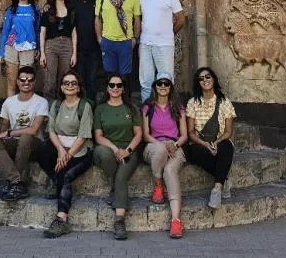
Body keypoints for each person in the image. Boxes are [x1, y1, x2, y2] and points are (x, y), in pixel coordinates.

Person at [36, 70, 94, 238]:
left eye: (73, 83)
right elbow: (51, 130)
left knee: (65, 173)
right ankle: (58, 183)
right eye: (66, 83)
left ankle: (61, 219)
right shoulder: (55, 105)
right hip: (60, 146)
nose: (69, 86)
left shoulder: (85, 106)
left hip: (80, 150)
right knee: (42, 152)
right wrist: (61, 151)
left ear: (78, 87)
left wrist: (68, 155)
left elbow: (83, 136)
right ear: (61, 87)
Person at [92, 72, 142, 240]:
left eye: (119, 85)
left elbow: (138, 135)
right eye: (112, 85)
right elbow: (98, 137)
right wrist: (115, 149)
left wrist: (127, 150)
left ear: (123, 88)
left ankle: (119, 220)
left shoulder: (132, 108)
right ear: (107, 87)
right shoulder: (100, 109)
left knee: (121, 178)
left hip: (128, 149)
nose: (115, 88)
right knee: (102, 153)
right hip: (108, 147)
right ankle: (116, 187)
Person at [0, 65, 48, 201]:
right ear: (17, 81)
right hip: (15, 143)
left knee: (26, 137)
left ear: (34, 82)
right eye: (23, 80)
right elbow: (4, 124)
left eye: (30, 80)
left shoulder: (41, 102)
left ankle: (14, 183)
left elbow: (34, 130)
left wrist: (9, 133)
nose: (26, 83)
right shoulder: (9, 102)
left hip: (34, 145)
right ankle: (17, 183)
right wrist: (2, 137)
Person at [141, 71, 187, 238]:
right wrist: (161, 145)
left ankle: (175, 220)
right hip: (154, 145)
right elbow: (145, 134)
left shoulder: (179, 108)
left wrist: (174, 145)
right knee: (160, 150)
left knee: (170, 171)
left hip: (175, 145)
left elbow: (184, 135)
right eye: (159, 83)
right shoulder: (147, 107)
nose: (162, 86)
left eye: (166, 83)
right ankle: (158, 184)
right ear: (154, 87)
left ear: (171, 87)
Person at [184, 66, 236, 210]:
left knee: (226, 146)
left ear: (213, 79)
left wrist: (215, 143)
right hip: (199, 143)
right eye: (201, 79)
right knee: (192, 152)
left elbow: (228, 131)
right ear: (197, 83)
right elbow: (190, 132)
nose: (205, 80)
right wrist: (204, 144)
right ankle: (223, 178)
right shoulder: (192, 103)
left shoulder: (224, 102)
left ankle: (217, 189)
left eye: (207, 77)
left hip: (219, 141)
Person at [137, 0, 186, 103]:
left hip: (164, 45)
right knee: (146, 81)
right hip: (145, 44)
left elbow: (181, 19)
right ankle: (147, 112)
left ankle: (168, 113)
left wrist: (169, 33)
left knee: (166, 80)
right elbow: (138, 19)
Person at [95, 0, 141, 96]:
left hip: (126, 42)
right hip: (108, 41)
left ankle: (126, 104)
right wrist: (100, 38)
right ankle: (109, 102)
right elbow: (98, 19)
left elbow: (137, 20)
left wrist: (134, 38)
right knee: (109, 75)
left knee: (125, 76)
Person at [0, 0, 39, 97]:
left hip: (28, 47)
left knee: (26, 82)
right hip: (11, 46)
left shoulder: (35, 9)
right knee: (12, 82)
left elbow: (37, 30)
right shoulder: (11, 10)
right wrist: (1, 52)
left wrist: (38, 49)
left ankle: (25, 111)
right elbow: (5, 32)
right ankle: (11, 112)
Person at [39, 0, 77, 100]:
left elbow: (74, 33)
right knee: (50, 80)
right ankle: (49, 110)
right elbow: (42, 32)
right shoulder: (48, 10)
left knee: (64, 79)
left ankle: (62, 108)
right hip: (51, 46)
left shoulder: (71, 10)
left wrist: (74, 53)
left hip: (67, 46)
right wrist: (42, 54)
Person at [71, 0, 100, 102]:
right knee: (79, 78)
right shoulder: (70, 0)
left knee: (92, 79)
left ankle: (92, 108)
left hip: (94, 46)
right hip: (76, 47)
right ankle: (80, 107)